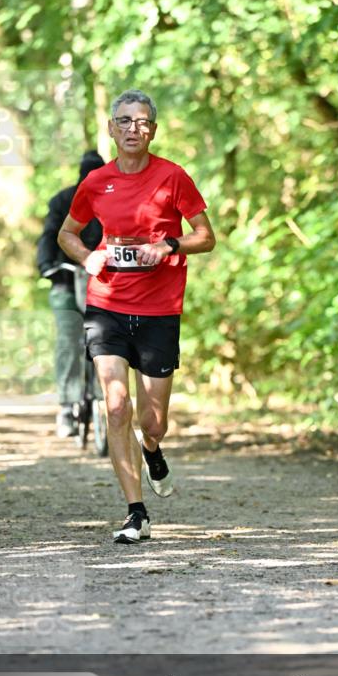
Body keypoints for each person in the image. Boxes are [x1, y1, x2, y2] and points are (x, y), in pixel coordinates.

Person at [57, 89, 216, 543]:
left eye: (142, 122)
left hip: (159, 309)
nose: (133, 129)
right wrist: (88, 257)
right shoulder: (96, 183)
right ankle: (135, 512)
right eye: (124, 121)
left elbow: (206, 237)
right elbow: (68, 234)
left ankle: (153, 449)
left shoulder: (173, 177)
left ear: (153, 130)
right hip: (106, 303)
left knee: (153, 420)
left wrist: (168, 245)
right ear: (111, 128)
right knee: (115, 403)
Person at [37, 150, 104, 437]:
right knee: (67, 337)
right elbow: (49, 235)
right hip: (65, 281)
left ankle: (108, 400)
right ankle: (66, 405)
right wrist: (46, 265)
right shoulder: (63, 201)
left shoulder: (111, 201)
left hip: (102, 284)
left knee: (108, 339)